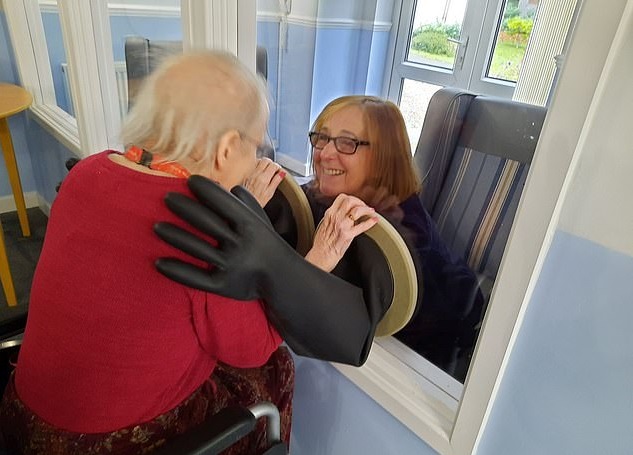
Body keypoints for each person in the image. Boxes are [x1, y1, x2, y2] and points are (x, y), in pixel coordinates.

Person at [0, 51, 378, 455]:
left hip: (23, 417)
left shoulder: (87, 172)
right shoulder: (202, 226)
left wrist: (243, 203)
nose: (255, 160)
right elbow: (250, 349)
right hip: (109, 444)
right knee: (274, 367)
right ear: (227, 148)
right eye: (255, 147)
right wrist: (318, 261)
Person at [302, 95, 485, 380]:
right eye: (322, 138)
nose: (325, 153)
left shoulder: (404, 237)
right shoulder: (331, 195)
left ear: (382, 158)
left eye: (347, 143)